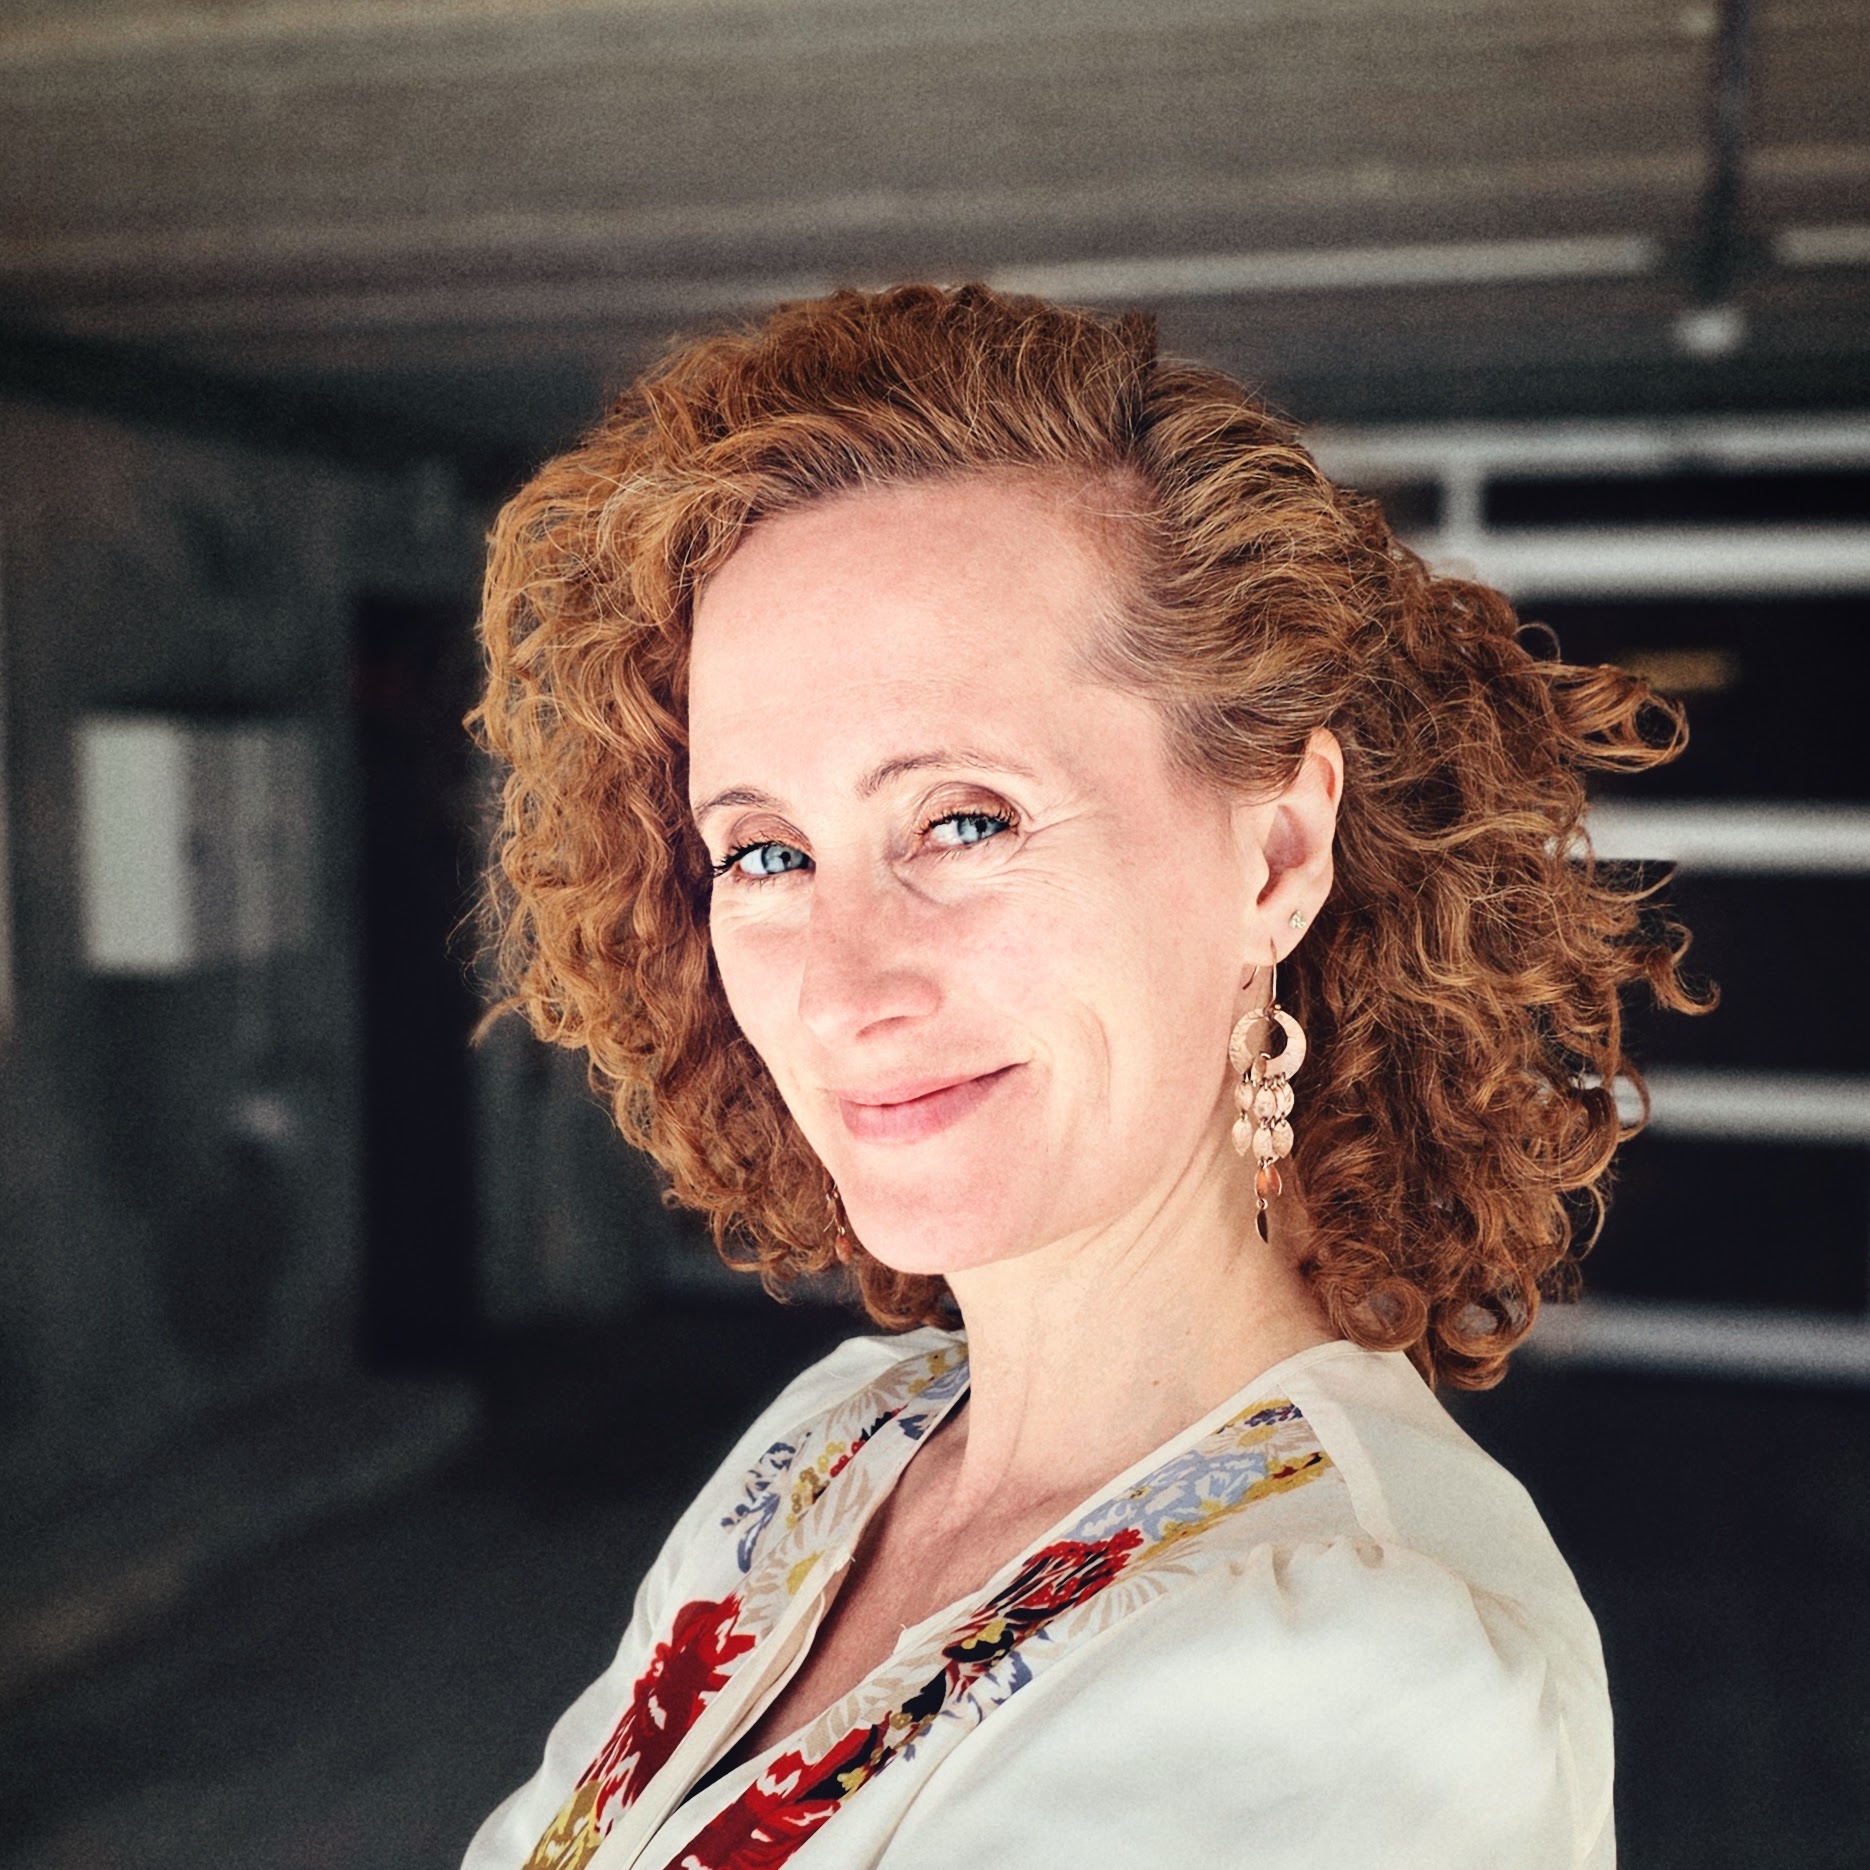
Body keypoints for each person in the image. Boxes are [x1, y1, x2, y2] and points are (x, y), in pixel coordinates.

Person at [462, 284, 1704, 1870]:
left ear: (1275, 851)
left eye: (963, 820)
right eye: (765, 851)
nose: (841, 987)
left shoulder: (1357, 1677)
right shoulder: (836, 1449)